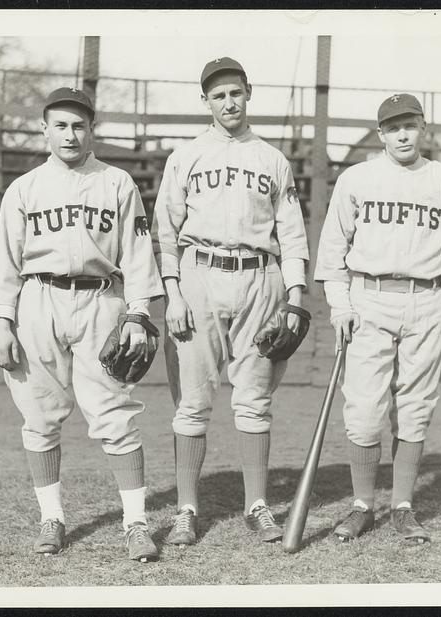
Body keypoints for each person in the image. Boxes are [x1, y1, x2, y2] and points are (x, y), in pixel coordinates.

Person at [314, 93, 441, 543]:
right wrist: (340, 304)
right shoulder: (356, 178)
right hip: (369, 296)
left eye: (410, 125)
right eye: (393, 127)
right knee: (363, 411)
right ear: (381, 133)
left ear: (423, 128)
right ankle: (363, 506)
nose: (402, 134)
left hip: (428, 299)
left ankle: (402, 507)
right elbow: (331, 251)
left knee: (414, 409)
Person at [0, 87, 164, 562]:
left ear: (91, 130)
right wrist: (1, 321)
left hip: (102, 299)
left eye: (78, 125)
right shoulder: (23, 189)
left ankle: (136, 523)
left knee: (116, 415)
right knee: (39, 416)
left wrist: (139, 314)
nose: (69, 134)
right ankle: (52, 518)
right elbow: (4, 260)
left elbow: (138, 253)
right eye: (60, 125)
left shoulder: (117, 182)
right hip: (37, 300)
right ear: (45, 129)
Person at [151, 57, 310, 545]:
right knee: (193, 403)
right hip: (199, 277)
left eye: (235, 92)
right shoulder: (186, 156)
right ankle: (185, 509)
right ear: (206, 102)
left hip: (260, 278)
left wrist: (296, 296)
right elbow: (165, 231)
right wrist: (172, 292)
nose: (228, 102)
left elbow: (292, 232)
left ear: (248, 94)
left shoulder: (272, 158)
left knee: (254, 400)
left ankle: (257, 505)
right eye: (217, 95)